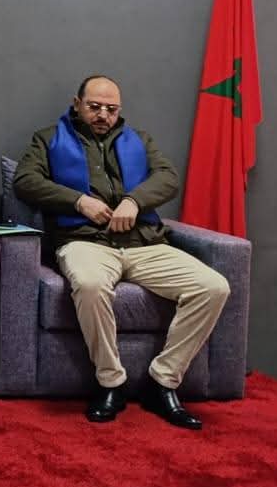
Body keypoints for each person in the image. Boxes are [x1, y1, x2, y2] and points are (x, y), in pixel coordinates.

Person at [12, 75, 230, 429]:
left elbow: (168, 177)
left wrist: (134, 200)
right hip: (85, 241)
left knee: (213, 287)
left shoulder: (140, 140)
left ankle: (163, 380)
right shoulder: (48, 138)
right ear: (77, 104)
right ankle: (111, 382)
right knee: (90, 284)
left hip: (144, 244)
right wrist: (78, 201)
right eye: (95, 107)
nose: (103, 115)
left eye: (111, 109)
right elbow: (25, 180)